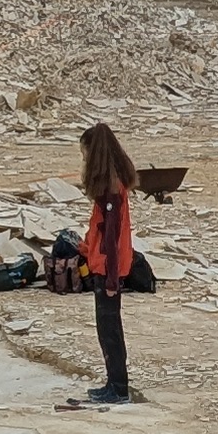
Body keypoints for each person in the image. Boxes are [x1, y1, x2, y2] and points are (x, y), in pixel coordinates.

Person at [76, 121, 141, 404]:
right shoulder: (113, 186)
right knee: (107, 329)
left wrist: (113, 279)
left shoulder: (111, 191)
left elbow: (112, 240)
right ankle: (113, 383)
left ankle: (118, 387)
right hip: (104, 266)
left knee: (110, 330)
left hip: (107, 270)